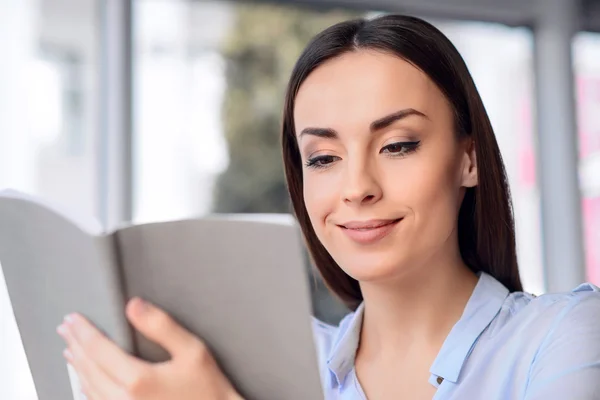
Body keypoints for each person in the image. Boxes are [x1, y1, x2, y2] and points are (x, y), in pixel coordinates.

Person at [56, 14, 600, 400]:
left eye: (397, 145)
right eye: (322, 158)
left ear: (469, 159)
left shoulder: (563, 339)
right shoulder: (271, 367)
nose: (356, 187)